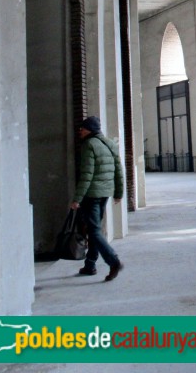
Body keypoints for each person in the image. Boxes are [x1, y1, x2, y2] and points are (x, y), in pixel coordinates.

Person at [70, 115, 124, 281]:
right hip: (105, 193)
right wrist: (118, 192)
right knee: (95, 230)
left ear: (90, 130)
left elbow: (87, 174)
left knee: (93, 230)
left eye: (83, 128)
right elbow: (118, 169)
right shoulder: (110, 143)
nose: (80, 131)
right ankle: (90, 265)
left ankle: (113, 260)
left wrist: (77, 198)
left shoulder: (89, 145)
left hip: (92, 195)